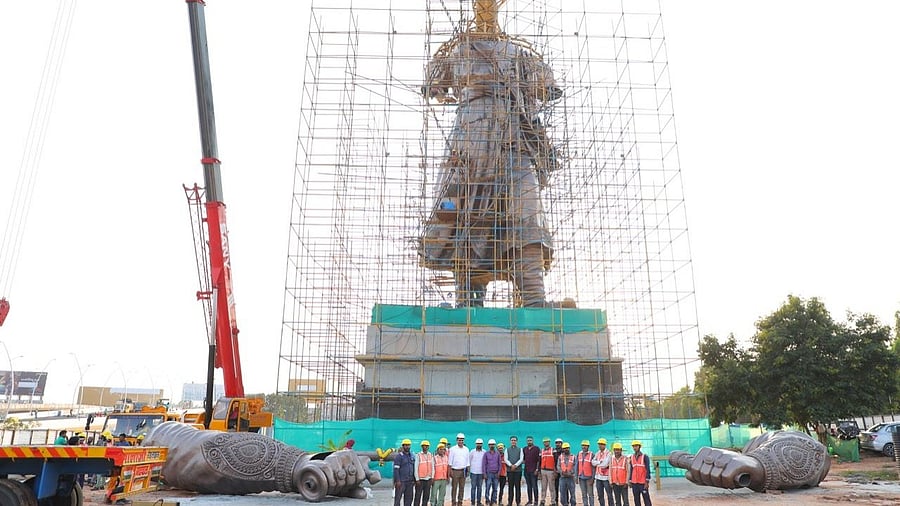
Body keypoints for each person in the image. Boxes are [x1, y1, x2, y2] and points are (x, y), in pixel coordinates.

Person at [419, 0, 562, 308]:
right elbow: (433, 85)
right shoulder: (457, 53)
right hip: (471, 140)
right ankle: (468, 302)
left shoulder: (520, 53)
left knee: (525, 208)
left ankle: (534, 299)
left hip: (513, 136)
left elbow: (546, 90)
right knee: (466, 213)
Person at [627, 441, 651, 506]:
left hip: (643, 483)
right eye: (633, 446)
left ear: (639, 447)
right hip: (634, 483)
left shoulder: (645, 456)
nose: (635, 447)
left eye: (636, 446)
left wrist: (647, 481)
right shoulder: (631, 457)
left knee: (646, 499)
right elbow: (631, 469)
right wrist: (630, 480)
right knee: (636, 500)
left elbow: (648, 469)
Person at [448, 433, 470, 506]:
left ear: (463, 441)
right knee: (454, 488)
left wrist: (468, 470)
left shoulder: (466, 449)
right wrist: (450, 471)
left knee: (462, 488)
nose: (461, 441)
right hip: (455, 471)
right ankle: (453, 502)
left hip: (463, 471)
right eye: (459, 440)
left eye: (462, 440)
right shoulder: (452, 449)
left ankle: (460, 502)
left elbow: (467, 461)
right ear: (457, 440)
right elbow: (450, 461)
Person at [394, 438, 416, 506]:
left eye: (408, 445)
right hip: (401, 481)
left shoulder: (412, 456)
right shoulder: (399, 456)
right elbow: (396, 469)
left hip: (410, 481)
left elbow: (414, 468)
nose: (407, 446)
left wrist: (414, 479)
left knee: (409, 499)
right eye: (405, 445)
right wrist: (397, 481)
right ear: (403, 446)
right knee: (398, 498)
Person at [591, 439, 613, 506]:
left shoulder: (609, 453)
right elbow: (592, 462)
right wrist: (599, 462)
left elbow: (605, 465)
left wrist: (597, 463)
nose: (600, 446)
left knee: (609, 495)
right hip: (598, 477)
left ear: (605, 445)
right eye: (599, 444)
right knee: (600, 495)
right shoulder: (597, 453)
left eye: (601, 444)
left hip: (606, 478)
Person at [414, 440, 435, 506]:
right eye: (424, 446)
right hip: (420, 480)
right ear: (421, 447)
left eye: (426, 446)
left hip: (428, 479)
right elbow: (416, 468)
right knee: (418, 496)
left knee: (426, 497)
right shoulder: (418, 455)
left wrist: (432, 477)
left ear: (428, 447)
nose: (425, 447)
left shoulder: (430, 455)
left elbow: (433, 467)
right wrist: (417, 479)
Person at [504, 436, 523, 506]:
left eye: (514, 440)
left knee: (518, 487)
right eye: (512, 440)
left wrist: (515, 465)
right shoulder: (507, 449)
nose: (513, 441)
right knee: (510, 487)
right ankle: (510, 502)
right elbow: (506, 459)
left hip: (518, 471)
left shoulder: (520, 449)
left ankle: (518, 502)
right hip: (510, 471)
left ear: (517, 441)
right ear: (510, 441)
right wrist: (511, 465)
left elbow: (521, 459)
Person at [522, 436, 540, 506]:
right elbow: (523, 459)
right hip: (526, 471)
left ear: (533, 441)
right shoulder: (524, 449)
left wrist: (537, 469)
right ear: (526, 441)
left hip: (534, 471)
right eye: (528, 440)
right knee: (529, 486)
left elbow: (539, 460)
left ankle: (536, 501)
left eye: (530, 440)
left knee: (534, 486)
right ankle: (530, 501)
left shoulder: (536, 448)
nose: (529, 441)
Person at [575, 440, 594, 506]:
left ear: (588, 446)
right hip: (581, 478)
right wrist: (576, 477)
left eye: (585, 445)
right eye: (583, 445)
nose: (584, 447)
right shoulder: (579, 454)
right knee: (584, 494)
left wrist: (593, 478)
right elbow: (576, 466)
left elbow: (593, 468)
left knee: (590, 494)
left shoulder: (592, 454)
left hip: (589, 478)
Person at [538, 437, 555, 506]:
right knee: (543, 487)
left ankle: (553, 502)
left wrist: (555, 471)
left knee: (552, 487)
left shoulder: (553, 450)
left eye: (547, 442)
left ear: (549, 442)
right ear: (543, 443)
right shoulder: (541, 451)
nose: (546, 443)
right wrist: (539, 471)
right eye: (545, 442)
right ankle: (542, 501)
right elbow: (539, 461)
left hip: (551, 471)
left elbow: (556, 460)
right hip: (543, 471)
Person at [484, 439, 502, 505]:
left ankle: (493, 500)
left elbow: (500, 464)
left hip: (496, 474)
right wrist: (484, 474)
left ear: (494, 445)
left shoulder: (497, 454)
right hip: (488, 474)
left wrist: (499, 473)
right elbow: (484, 464)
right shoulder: (486, 454)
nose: (492, 445)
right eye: (490, 444)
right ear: (488, 445)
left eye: (493, 444)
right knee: (487, 488)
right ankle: (487, 500)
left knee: (495, 488)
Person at [470, 438, 486, 506]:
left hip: (481, 473)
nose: (479, 445)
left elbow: (485, 463)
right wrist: (469, 471)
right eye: (478, 443)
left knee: (479, 488)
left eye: (480, 443)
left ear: (482, 444)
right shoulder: (472, 452)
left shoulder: (484, 452)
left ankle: (478, 502)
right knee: (473, 488)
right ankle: (473, 502)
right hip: (473, 472)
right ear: (476, 444)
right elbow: (469, 461)